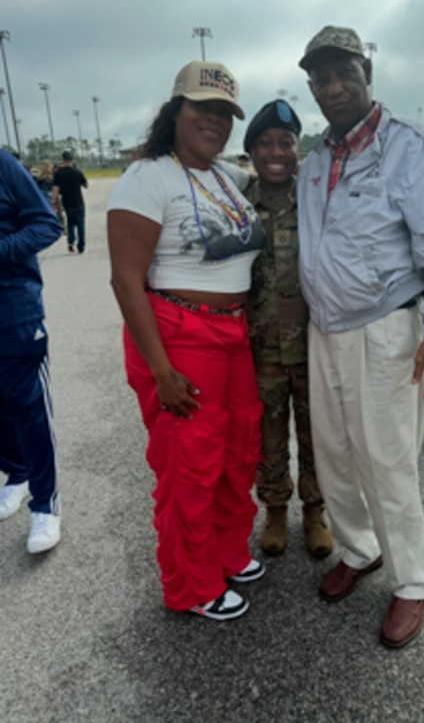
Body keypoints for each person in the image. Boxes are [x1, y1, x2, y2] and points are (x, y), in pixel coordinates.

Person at [297, 26, 424, 648]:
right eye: (321, 78)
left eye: (344, 71)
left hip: (387, 327)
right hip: (327, 330)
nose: (334, 86)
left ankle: (411, 583)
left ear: (366, 69)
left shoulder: (409, 145)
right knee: (337, 455)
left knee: (389, 462)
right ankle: (359, 546)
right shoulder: (316, 158)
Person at [107, 60, 267, 621]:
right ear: (176, 109)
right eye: (204, 108)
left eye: (225, 112)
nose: (215, 121)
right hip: (179, 335)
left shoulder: (225, 176)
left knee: (237, 450)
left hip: (232, 334)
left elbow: (276, 172)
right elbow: (126, 280)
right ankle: (192, 585)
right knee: (190, 465)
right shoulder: (147, 177)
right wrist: (160, 370)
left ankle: (225, 553)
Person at [244, 99, 333, 558]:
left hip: (316, 345)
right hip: (262, 349)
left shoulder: (317, 199)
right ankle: (275, 511)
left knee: (318, 434)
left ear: (299, 148)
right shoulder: (238, 205)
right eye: (264, 143)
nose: (275, 151)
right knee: (269, 435)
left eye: (286, 142)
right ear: (251, 152)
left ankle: (315, 511)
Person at [0, 149, 63, 552]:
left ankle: (46, 506)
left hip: (13, 314)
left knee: (29, 411)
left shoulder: (4, 165)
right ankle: (17, 474)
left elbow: (46, 224)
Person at [51, 151, 88, 253]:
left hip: (67, 202)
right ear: (72, 160)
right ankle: (81, 246)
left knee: (70, 223)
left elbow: (55, 189)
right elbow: (85, 185)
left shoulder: (58, 173)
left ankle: (70, 242)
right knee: (81, 224)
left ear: (62, 160)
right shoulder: (77, 172)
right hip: (78, 202)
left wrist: (53, 202)